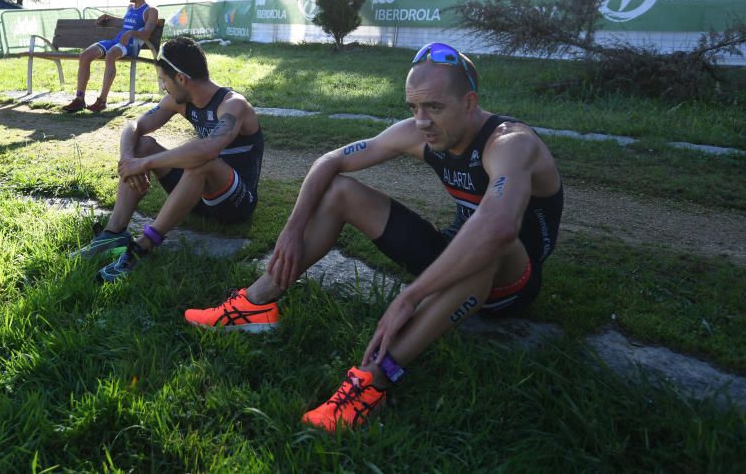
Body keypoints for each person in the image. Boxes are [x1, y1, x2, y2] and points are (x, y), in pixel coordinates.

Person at [183, 42, 564, 432]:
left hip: (509, 277)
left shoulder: (511, 143)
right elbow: (330, 161)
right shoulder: (424, 132)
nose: (422, 122)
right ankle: (257, 301)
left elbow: (498, 229)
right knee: (340, 192)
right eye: (413, 108)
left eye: (434, 107)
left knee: (485, 243)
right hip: (454, 254)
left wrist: (410, 295)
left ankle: (372, 380)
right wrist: (293, 228)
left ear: (470, 102)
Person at [78, 36, 264, 283]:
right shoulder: (182, 101)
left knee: (201, 160)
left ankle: (143, 247)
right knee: (142, 145)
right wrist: (129, 160)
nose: (163, 86)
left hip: (236, 202)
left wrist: (144, 164)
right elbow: (134, 126)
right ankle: (114, 233)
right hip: (198, 196)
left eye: (163, 80)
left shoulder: (233, 105)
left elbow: (208, 150)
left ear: (180, 79)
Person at [62, 0, 159, 113]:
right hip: (117, 41)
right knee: (85, 55)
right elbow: (126, 22)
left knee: (110, 54)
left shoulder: (151, 10)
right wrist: (109, 17)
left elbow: (147, 33)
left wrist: (131, 33)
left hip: (130, 45)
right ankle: (79, 99)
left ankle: (102, 101)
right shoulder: (130, 7)